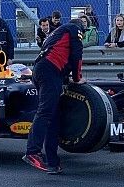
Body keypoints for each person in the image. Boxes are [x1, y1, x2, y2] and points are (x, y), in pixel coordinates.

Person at [23, 18, 86, 174]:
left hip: (41, 70)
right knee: (45, 112)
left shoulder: (55, 33)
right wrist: (78, 78)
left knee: (53, 116)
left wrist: (65, 77)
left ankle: (53, 162)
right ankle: (32, 152)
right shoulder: (74, 29)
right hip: (50, 71)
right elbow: (77, 56)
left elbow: (58, 53)